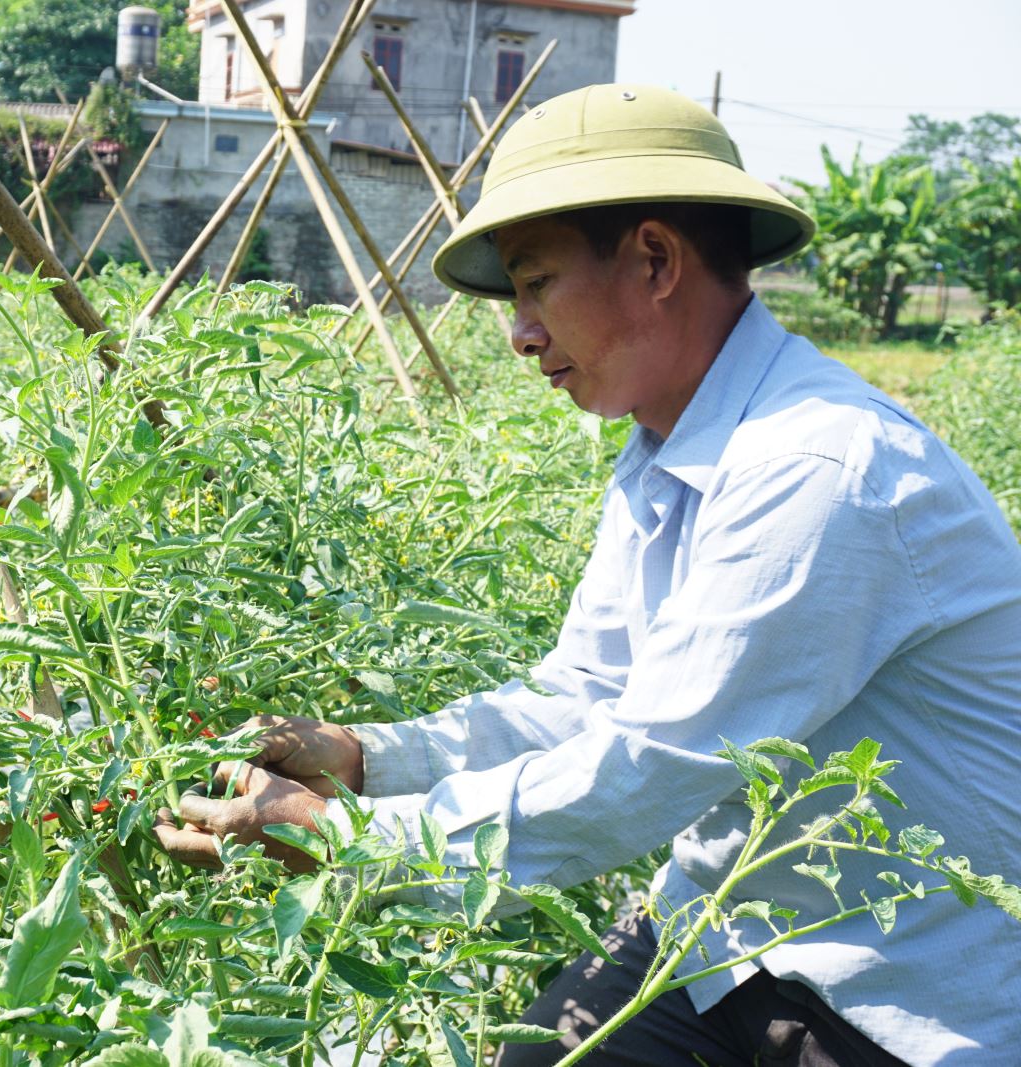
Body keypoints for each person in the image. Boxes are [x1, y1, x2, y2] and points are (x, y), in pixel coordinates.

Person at [153, 85, 1021, 1065]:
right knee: (539, 1052)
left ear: (653, 259)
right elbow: (585, 696)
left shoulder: (817, 470)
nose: (518, 333)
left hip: (894, 989)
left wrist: (348, 840)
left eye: (534, 283)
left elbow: (642, 769)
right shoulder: (666, 451)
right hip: (724, 935)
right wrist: (366, 756)